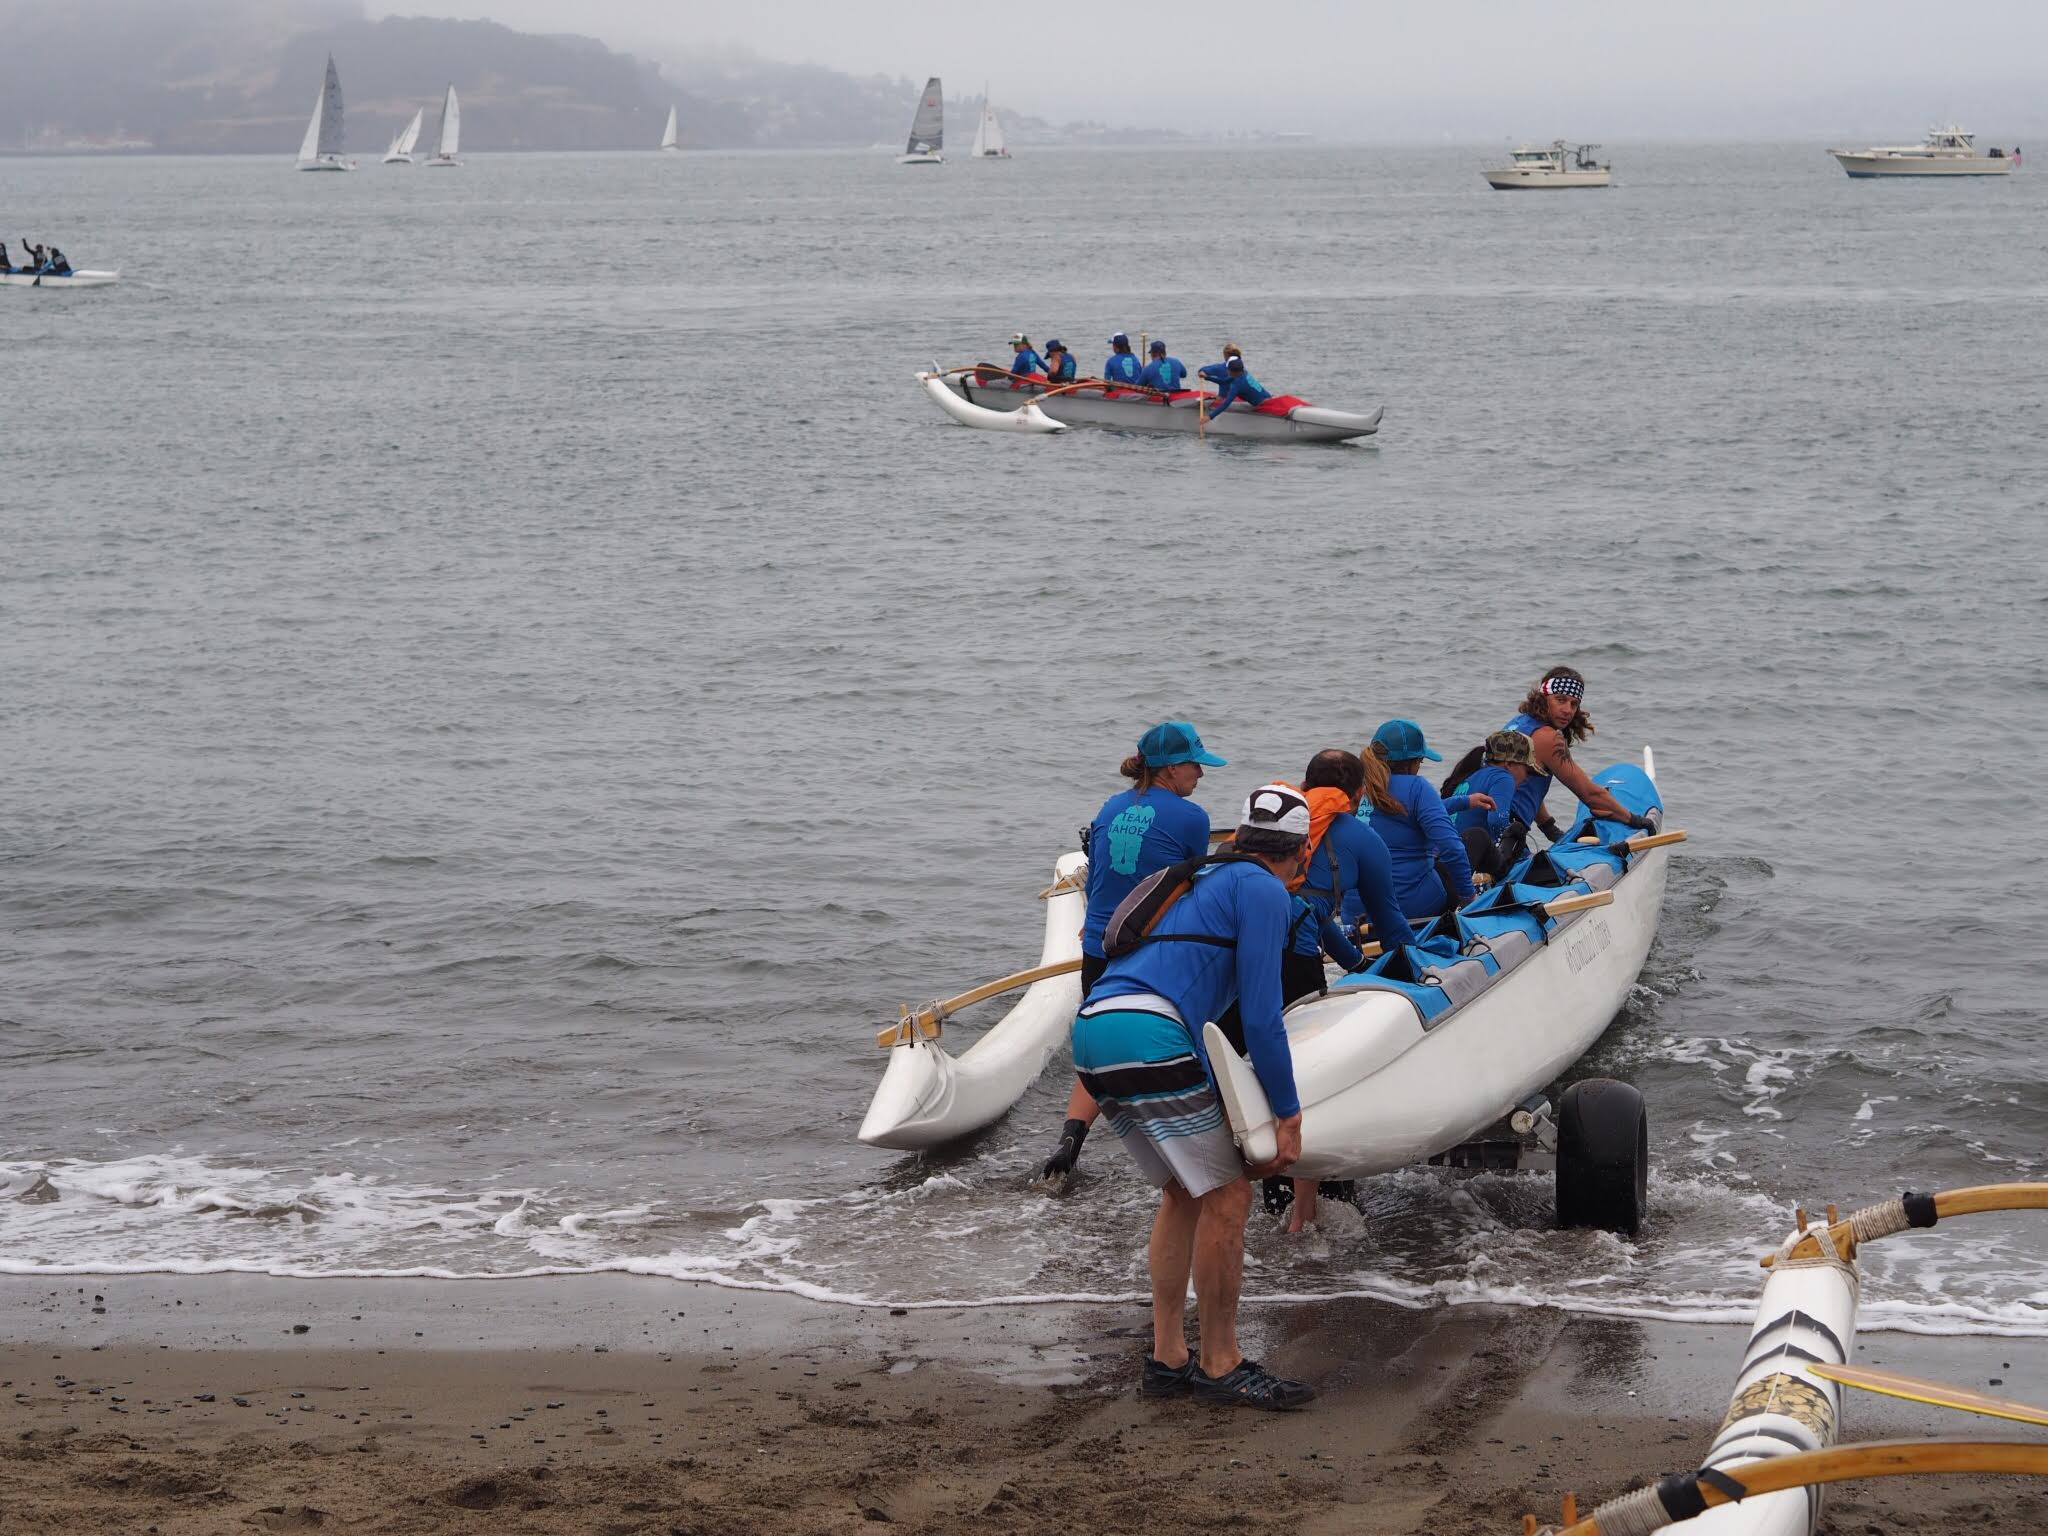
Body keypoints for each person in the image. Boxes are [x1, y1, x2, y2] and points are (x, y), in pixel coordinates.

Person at [1069, 784, 1315, 1410]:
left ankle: (1168, 1356)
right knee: (1229, 1193)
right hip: (1150, 1029)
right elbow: (1262, 1018)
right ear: (1302, 852)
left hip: (1095, 1026)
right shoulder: (1262, 889)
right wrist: (1287, 1115)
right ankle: (1221, 1361)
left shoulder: (1203, 877)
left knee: (1183, 1192)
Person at [1037, 722, 1223, 1183]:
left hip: (1099, 943)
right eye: (1195, 764)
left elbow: (1099, 875)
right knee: (1191, 1032)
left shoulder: (1111, 806)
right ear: (1171, 769)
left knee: (1095, 1042)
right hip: (1146, 946)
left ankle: (1069, 1142)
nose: (1200, 773)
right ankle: (1193, 1136)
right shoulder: (1191, 817)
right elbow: (1187, 890)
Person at [1273, 749, 1412, 1233]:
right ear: (1357, 794)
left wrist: (1355, 963)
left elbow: (1310, 911)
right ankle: (1313, 1207)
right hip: (1295, 963)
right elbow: (1390, 917)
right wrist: (1410, 968)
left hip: (1243, 955)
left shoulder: (1276, 822)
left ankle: (1268, 1189)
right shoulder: (1360, 836)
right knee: (1308, 1073)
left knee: (1259, 1065)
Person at [1442, 667, 1650, 843]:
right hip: (1497, 827)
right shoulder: (1549, 738)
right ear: (1544, 699)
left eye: (1574, 704)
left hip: (1467, 824)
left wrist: (1548, 826)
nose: (1568, 710)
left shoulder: (1518, 724)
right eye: (1560, 700)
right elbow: (1589, 794)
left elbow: (1526, 784)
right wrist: (1634, 820)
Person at [1362, 718, 1481, 919]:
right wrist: (1468, 897)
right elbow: (1452, 848)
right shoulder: (1417, 787)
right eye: (1421, 761)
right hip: (1410, 906)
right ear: (1412, 762)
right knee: (1476, 838)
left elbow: (1407, 814)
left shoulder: (1356, 788)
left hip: (1357, 911)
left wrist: (1463, 801)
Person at [1451, 730, 1535, 880]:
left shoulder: (1472, 775)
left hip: (1450, 855)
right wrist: (1523, 856)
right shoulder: (1503, 777)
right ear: (1509, 764)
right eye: (1527, 770)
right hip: (1466, 860)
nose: (1527, 778)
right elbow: (1497, 821)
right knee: (1517, 830)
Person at [1205, 355, 1273, 420]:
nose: (1226, 370)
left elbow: (1226, 403)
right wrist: (1206, 377)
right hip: (1269, 398)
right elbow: (1223, 381)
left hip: (1263, 405)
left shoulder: (1237, 385)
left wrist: (1209, 417)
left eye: (1227, 369)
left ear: (1232, 371)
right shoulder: (1243, 373)